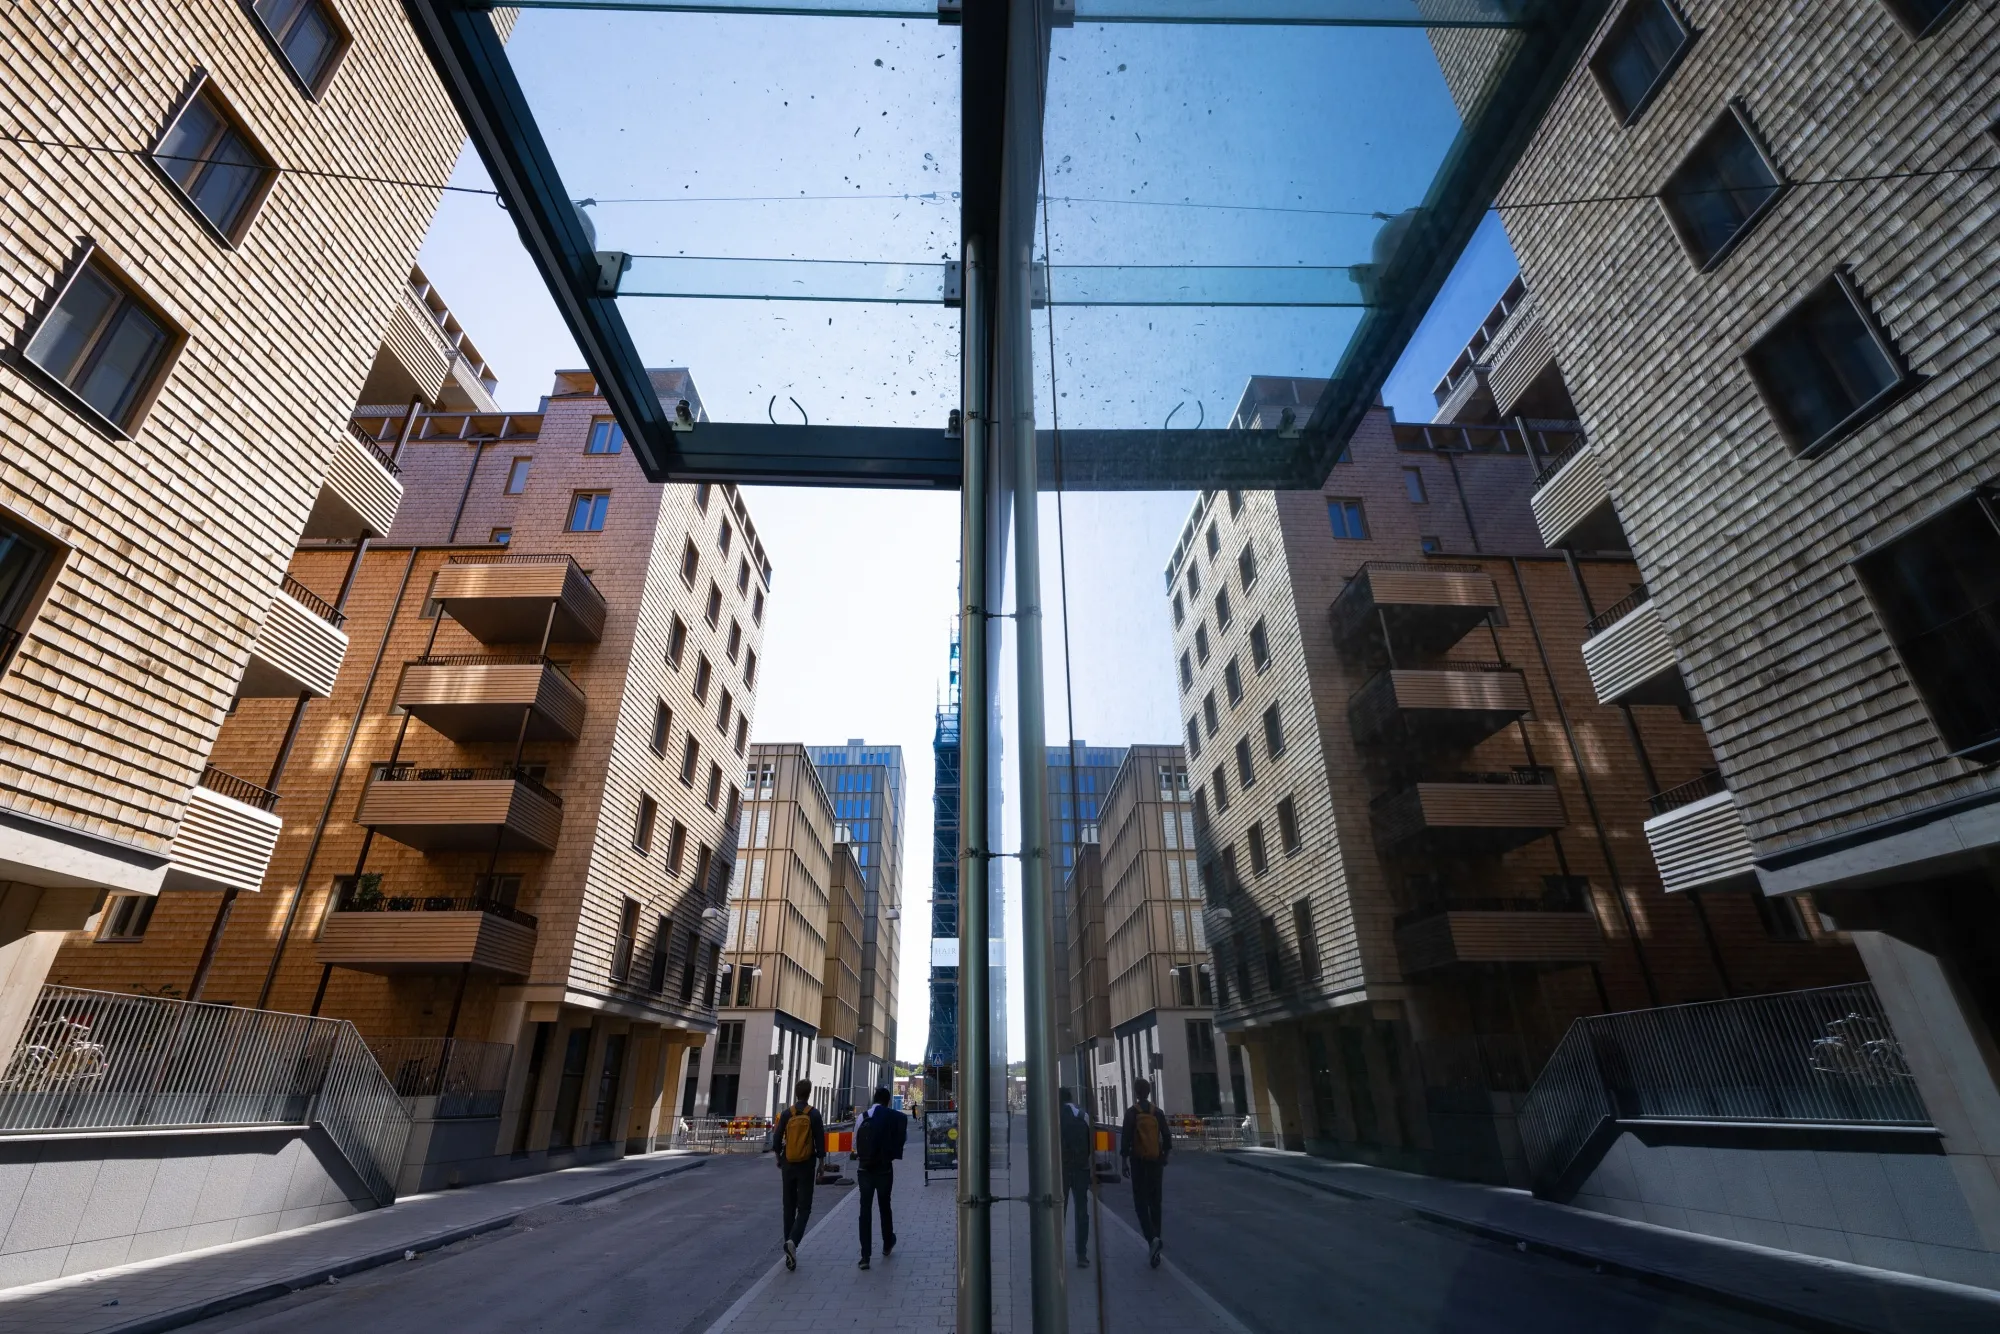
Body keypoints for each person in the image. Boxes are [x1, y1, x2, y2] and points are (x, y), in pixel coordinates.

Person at [772, 1079, 825, 1271]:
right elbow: (820, 1140)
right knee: (804, 1208)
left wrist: (779, 1157)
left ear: (796, 1093)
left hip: (788, 1165)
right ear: (809, 1093)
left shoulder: (787, 1114)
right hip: (806, 1165)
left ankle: (789, 1253)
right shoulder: (814, 1114)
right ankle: (793, 1241)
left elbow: (776, 1139)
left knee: (789, 1207)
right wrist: (821, 1164)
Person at [853, 1086, 908, 1269]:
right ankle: (887, 1243)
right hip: (884, 1170)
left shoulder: (863, 1117)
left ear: (874, 1099)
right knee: (885, 1206)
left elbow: (854, 1144)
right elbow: (902, 1138)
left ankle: (865, 1256)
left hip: (864, 1171)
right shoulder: (892, 1116)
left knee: (865, 1211)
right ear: (887, 1101)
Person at [1121, 1077, 1171, 1268]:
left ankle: (1151, 1240)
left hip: (1138, 1163)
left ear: (1136, 1092)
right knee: (1155, 1204)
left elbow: (1125, 1139)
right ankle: (1156, 1243)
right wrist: (1164, 1157)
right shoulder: (1157, 1113)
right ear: (1148, 1093)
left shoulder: (1131, 1113)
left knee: (1140, 1204)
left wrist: (1124, 1161)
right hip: (1156, 1163)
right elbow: (1167, 1137)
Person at [1059, 1086, 1094, 1268]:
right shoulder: (1083, 1116)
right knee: (1082, 1211)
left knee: (1059, 1211)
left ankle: (1057, 1253)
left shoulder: (1053, 1117)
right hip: (1081, 1169)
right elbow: (1091, 1145)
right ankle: (1082, 1254)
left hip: (1061, 1171)